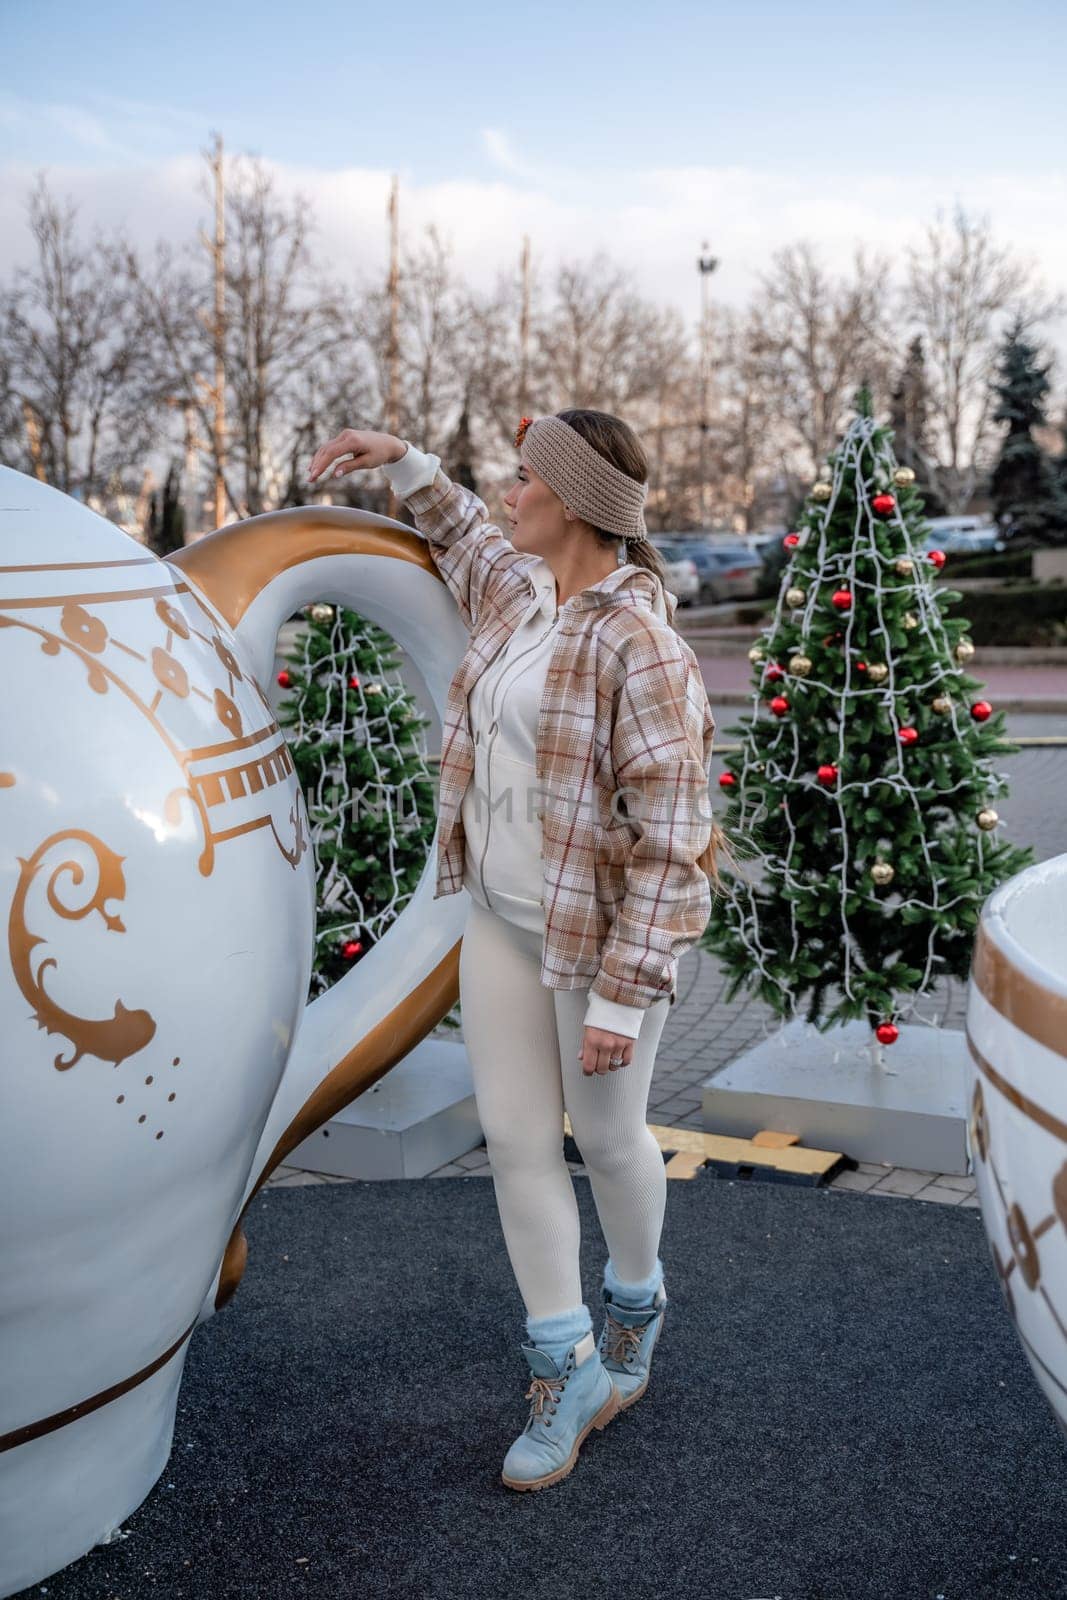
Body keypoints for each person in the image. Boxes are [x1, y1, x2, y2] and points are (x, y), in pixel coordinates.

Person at [307, 409, 727, 1492]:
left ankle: (635, 1297)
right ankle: (566, 1364)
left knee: (609, 1135)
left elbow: (677, 842)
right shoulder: (523, 592)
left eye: (526, 479)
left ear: (577, 502)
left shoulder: (639, 642)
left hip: (594, 942)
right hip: (498, 913)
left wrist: (621, 1002)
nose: (508, 492)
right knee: (514, 1140)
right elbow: (463, 534)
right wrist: (396, 460)